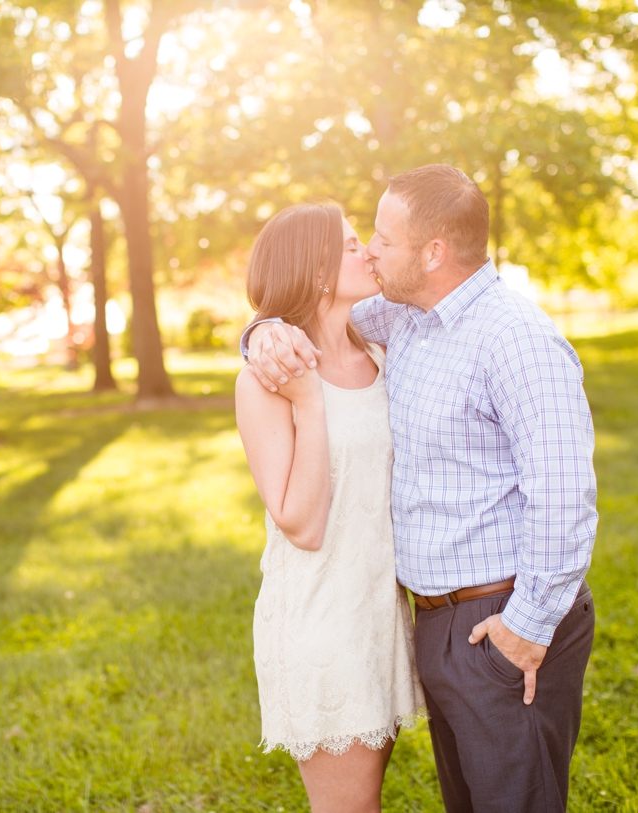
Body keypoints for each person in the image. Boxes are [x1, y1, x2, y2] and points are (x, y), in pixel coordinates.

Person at [243, 165, 598, 813]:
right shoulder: (401, 319)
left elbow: (564, 496)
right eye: (361, 239)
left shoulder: (515, 339)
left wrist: (528, 624)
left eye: (381, 237)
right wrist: (261, 330)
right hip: (428, 622)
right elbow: (300, 312)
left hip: (502, 616)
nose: (372, 250)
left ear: (433, 251)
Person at [234, 202, 423, 813]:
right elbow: (302, 523)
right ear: (314, 271)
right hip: (323, 622)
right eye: (348, 245)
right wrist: (310, 403)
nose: (367, 250)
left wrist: (261, 325)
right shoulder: (267, 379)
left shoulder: (379, 349)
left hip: (382, 614)